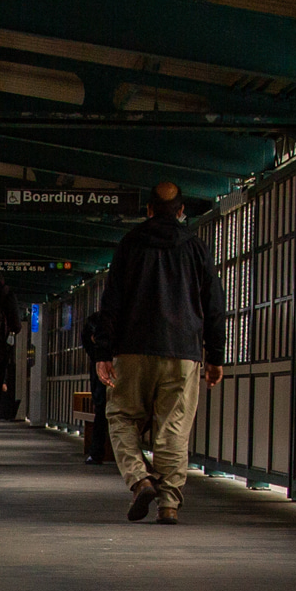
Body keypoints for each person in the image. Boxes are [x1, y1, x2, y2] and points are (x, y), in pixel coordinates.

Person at [84, 181, 226, 524]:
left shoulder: (130, 244)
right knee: (174, 428)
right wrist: (215, 356)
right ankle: (169, 503)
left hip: (132, 350)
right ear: (181, 212)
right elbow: (215, 304)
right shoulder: (196, 247)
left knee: (121, 418)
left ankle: (139, 479)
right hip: (183, 353)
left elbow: (111, 301)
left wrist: (103, 350)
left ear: (147, 210)